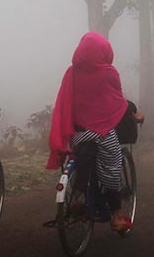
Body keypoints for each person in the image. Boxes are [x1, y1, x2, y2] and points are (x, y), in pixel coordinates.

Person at [47, 32, 134, 232]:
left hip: (77, 135)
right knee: (113, 165)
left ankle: (81, 194)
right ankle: (116, 215)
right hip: (102, 133)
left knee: (84, 158)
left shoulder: (72, 73)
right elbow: (117, 102)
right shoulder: (109, 73)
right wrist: (133, 113)